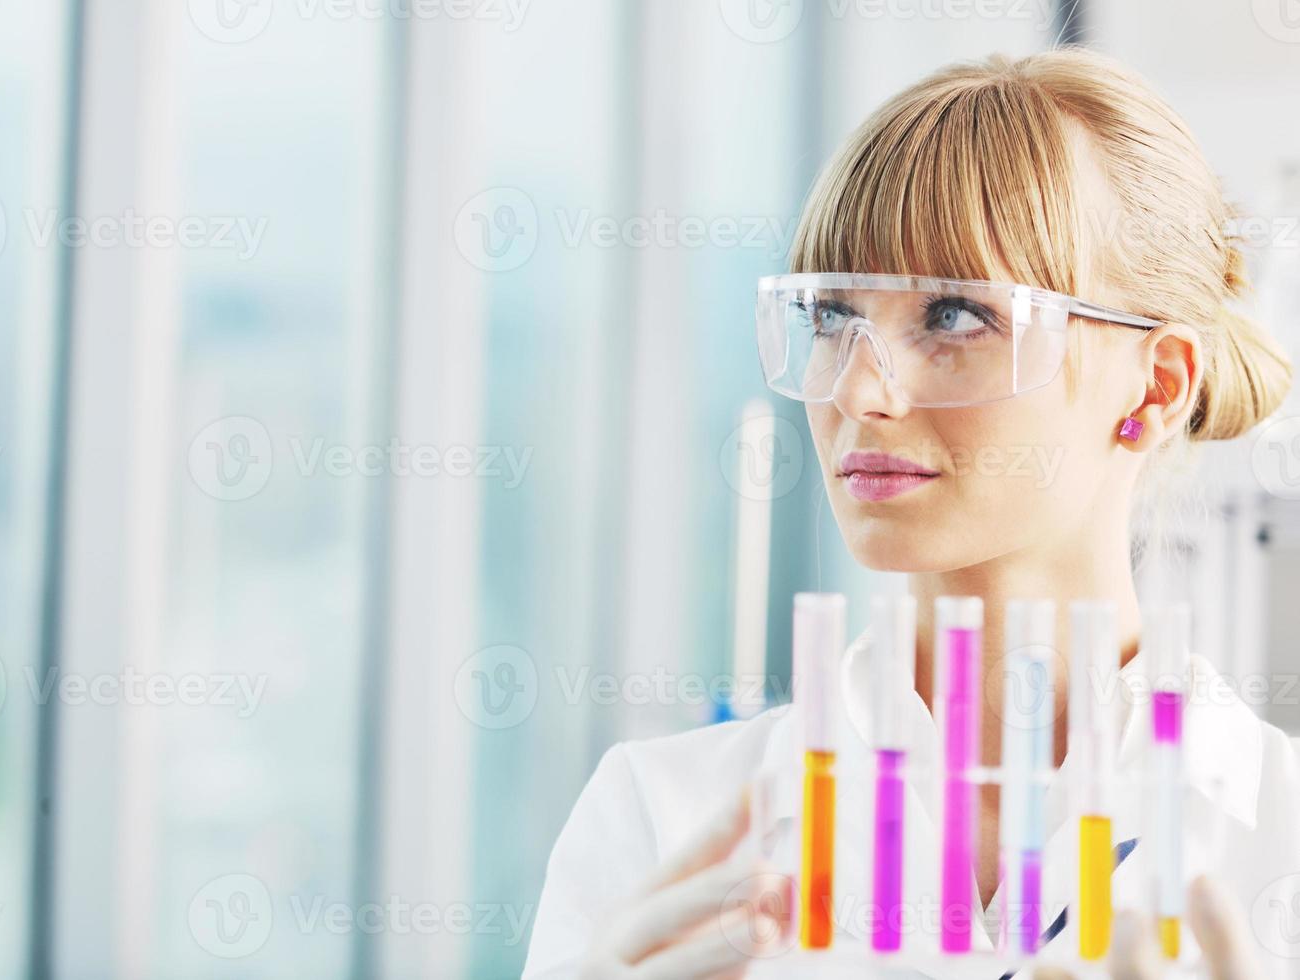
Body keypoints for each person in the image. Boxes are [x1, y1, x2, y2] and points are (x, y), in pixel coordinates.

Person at [523, 48, 1299, 979]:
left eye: (953, 317)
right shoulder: (664, 821)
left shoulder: (1277, 840)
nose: (858, 390)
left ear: (1159, 385)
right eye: (833, 319)